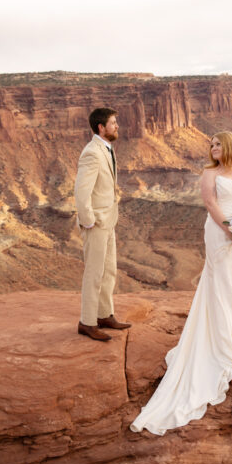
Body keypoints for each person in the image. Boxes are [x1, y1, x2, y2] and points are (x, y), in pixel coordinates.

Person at [130, 130, 232, 434]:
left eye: (217, 144)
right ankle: (221, 340)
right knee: (223, 284)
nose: (213, 148)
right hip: (220, 232)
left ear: (229, 145)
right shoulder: (209, 173)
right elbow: (211, 203)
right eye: (211, 145)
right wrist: (231, 228)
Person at [74, 107, 131, 341]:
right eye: (113, 123)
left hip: (108, 220)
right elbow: (81, 192)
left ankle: (104, 314)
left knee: (108, 271)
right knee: (94, 273)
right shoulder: (92, 153)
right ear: (101, 127)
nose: (117, 126)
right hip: (97, 223)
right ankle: (87, 322)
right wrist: (89, 221)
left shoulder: (106, 148)